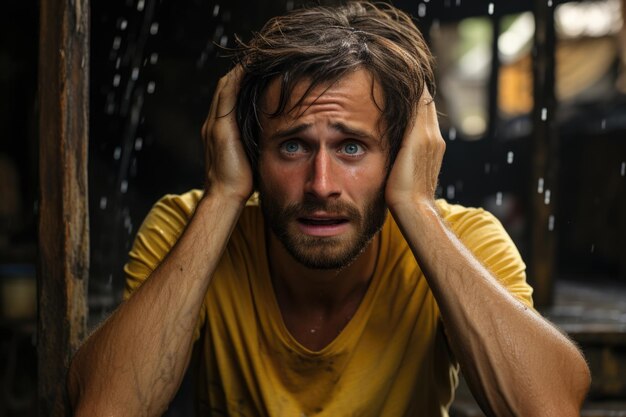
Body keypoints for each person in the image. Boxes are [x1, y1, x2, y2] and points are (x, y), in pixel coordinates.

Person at [68, 2, 590, 416]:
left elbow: (548, 408)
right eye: (292, 146)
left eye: (351, 147)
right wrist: (223, 193)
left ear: (404, 153)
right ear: (251, 152)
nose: (321, 185)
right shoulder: (188, 226)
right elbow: (103, 408)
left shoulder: (465, 239)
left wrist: (415, 205)